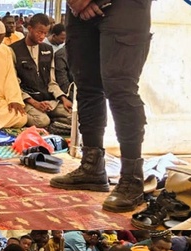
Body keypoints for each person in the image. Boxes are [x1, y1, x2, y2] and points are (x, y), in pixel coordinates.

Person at [50, 0, 152, 212]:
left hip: (124, 6)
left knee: (120, 87)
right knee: (85, 86)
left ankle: (132, 178)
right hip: (77, 10)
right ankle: (92, 166)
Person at [11, 14, 72, 129]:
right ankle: (47, 120)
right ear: (29, 29)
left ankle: (52, 120)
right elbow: (14, 85)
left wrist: (63, 98)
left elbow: (52, 82)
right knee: (42, 121)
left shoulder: (48, 50)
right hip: (28, 100)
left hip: (48, 101)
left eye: (45, 33)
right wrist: (34, 103)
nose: (42, 36)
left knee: (73, 115)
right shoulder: (13, 50)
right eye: (39, 32)